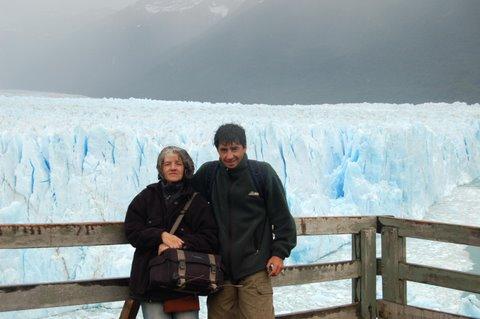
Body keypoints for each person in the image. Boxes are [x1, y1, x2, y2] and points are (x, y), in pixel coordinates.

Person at [192, 123, 297, 319]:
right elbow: (185, 198)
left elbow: (283, 219)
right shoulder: (210, 174)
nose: (229, 156)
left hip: (255, 268)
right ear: (217, 150)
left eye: (234, 149)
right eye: (223, 150)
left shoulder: (262, 174)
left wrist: (279, 253)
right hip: (221, 272)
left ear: (245, 147)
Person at [125, 146, 218, 319]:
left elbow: (211, 238)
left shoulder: (197, 202)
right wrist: (160, 236)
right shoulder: (146, 197)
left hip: (186, 282)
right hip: (151, 283)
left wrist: (178, 244)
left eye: (178, 163)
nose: (173, 167)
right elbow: (132, 230)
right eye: (167, 164)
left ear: (186, 168)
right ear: (161, 169)